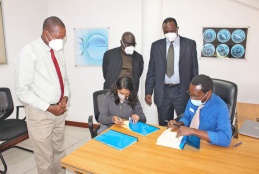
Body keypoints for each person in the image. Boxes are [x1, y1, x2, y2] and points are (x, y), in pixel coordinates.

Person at [15, 16, 70, 174]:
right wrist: (49, 107)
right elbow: (22, 90)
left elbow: (64, 79)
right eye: (59, 37)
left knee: (59, 150)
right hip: (40, 113)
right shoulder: (29, 52)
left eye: (63, 37)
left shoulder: (57, 51)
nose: (61, 41)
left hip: (59, 110)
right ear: (46, 33)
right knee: (44, 157)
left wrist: (65, 97)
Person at [145, 17, 198, 126]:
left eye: (172, 31)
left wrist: (194, 93)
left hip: (182, 90)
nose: (169, 33)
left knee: (184, 122)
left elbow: (194, 71)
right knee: (164, 124)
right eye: (166, 32)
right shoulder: (156, 46)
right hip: (163, 91)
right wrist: (148, 91)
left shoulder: (189, 44)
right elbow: (151, 70)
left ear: (177, 29)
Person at [168, 74, 232, 147]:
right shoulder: (193, 98)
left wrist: (193, 131)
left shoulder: (220, 107)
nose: (192, 98)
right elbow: (187, 117)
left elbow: (225, 138)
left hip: (207, 145)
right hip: (188, 141)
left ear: (208, 94)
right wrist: (179, 124)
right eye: (190, 94)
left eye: (195, 96)